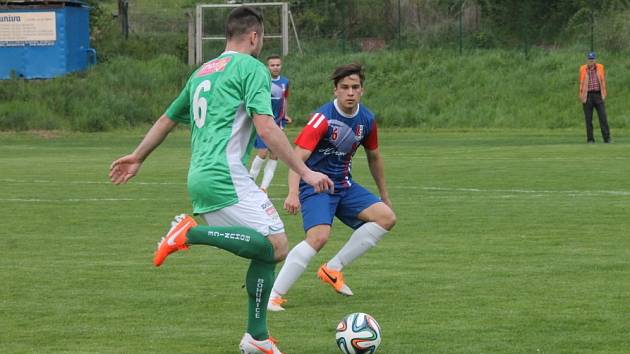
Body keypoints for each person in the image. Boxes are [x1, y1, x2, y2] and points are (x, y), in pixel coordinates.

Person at [108, 6, 333, 354]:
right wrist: (304, 171)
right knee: (277, 247)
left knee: (265, 250)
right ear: (255, 36)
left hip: (200, 175)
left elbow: (167, 119)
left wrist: (138, 156)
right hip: (225, 174)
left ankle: (256, 338)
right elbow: (266, 127)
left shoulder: (201, 72)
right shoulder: (251, 68)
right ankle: (189, 233)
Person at [267, 63, 396, 312]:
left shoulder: (366, 119)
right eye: (344, 87)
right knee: (318, 237)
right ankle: (273, 294)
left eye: (355, 87)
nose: (350, 92)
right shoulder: (322, 119)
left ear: (362, 90)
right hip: (315, 185)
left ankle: (333, 268)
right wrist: (293, 192)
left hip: (344, 185)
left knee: (386, 217)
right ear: (335, 90)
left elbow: (374, 157)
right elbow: (297, 158)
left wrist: (384, 195)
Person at [249, 55, 292, 193]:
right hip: (265, 121)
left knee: (275, 154)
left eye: (278, 65)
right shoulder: (263, 80)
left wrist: (285, 115)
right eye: (272, 65)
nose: (275, 67)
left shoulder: (285, 82)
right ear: (268, 67)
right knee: (262, 152)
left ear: (281, 66)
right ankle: (250, 182)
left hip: (278, 123)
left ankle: (264, 188)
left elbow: (284, 100)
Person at [579, 51, 611, 144]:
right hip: (587, 95)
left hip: (598, 95)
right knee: (588, 119)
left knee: (603, 117)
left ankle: (607, 138)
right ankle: (590, 139)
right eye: (589, 59)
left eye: (592, 59)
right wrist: (581, 95)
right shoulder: (583, 69)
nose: (591, 61)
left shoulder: (600, 67)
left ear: (595, 60)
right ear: (587, 60)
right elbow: (581, 82)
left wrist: (603, 94)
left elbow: (602, 81)